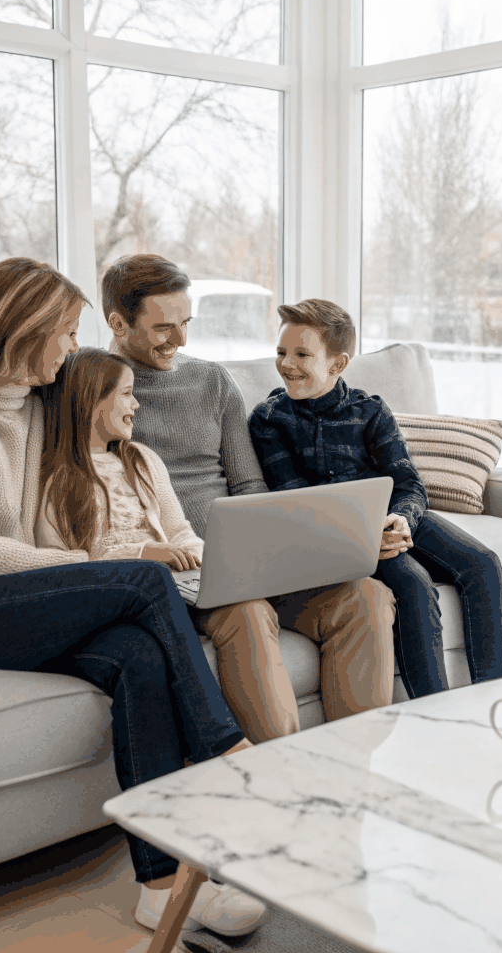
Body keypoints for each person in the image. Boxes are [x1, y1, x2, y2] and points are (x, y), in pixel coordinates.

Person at [0, 257, 266, 942]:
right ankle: (226, 747)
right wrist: (90, 569)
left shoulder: (34, 407)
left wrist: (85, 570)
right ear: (26, 329)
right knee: (143, 580)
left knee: (137, 656)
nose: (74, 346)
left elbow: (101, 422)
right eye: (67, 332)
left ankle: (161, 888)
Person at [99, 253, 398, 737]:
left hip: (251, 559)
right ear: (117, 322)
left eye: (186, 323)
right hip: (180, 569)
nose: (180, 340)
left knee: (366, 595)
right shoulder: (90, 389)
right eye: (163, 328)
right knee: (248, 610)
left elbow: (249, 485)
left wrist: (274, 548)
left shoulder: (212, 380)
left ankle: (351, 770)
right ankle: (276, 779)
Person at [247, 298, 502, 698]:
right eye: (282, 352)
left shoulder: (370, 412)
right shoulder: (269, 420)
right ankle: (435, 710)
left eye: (302, 354)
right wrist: (371, 536)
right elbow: (296, 499)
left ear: (337, 365)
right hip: (339, 534)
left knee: (483, 565)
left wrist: (403, 520)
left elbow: (408, 483)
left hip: (391, 519)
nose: (286, 363)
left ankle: (491, 698)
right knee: (413, 583)